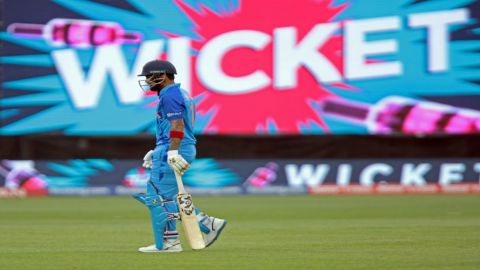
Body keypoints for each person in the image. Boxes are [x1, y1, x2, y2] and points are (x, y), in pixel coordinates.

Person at [133, 60, 227, 253]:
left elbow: (177, 126)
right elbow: (172, 127)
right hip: (175, 146)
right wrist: (157, 150)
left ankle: (170, 243)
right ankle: (206, 224)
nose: (148, 81)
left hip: (176, 146)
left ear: (162, 75)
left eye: (150, 77)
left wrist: (172, 151)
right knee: (166, 196)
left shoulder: (170, 95)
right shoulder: (178, 93)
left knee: (157, 196)